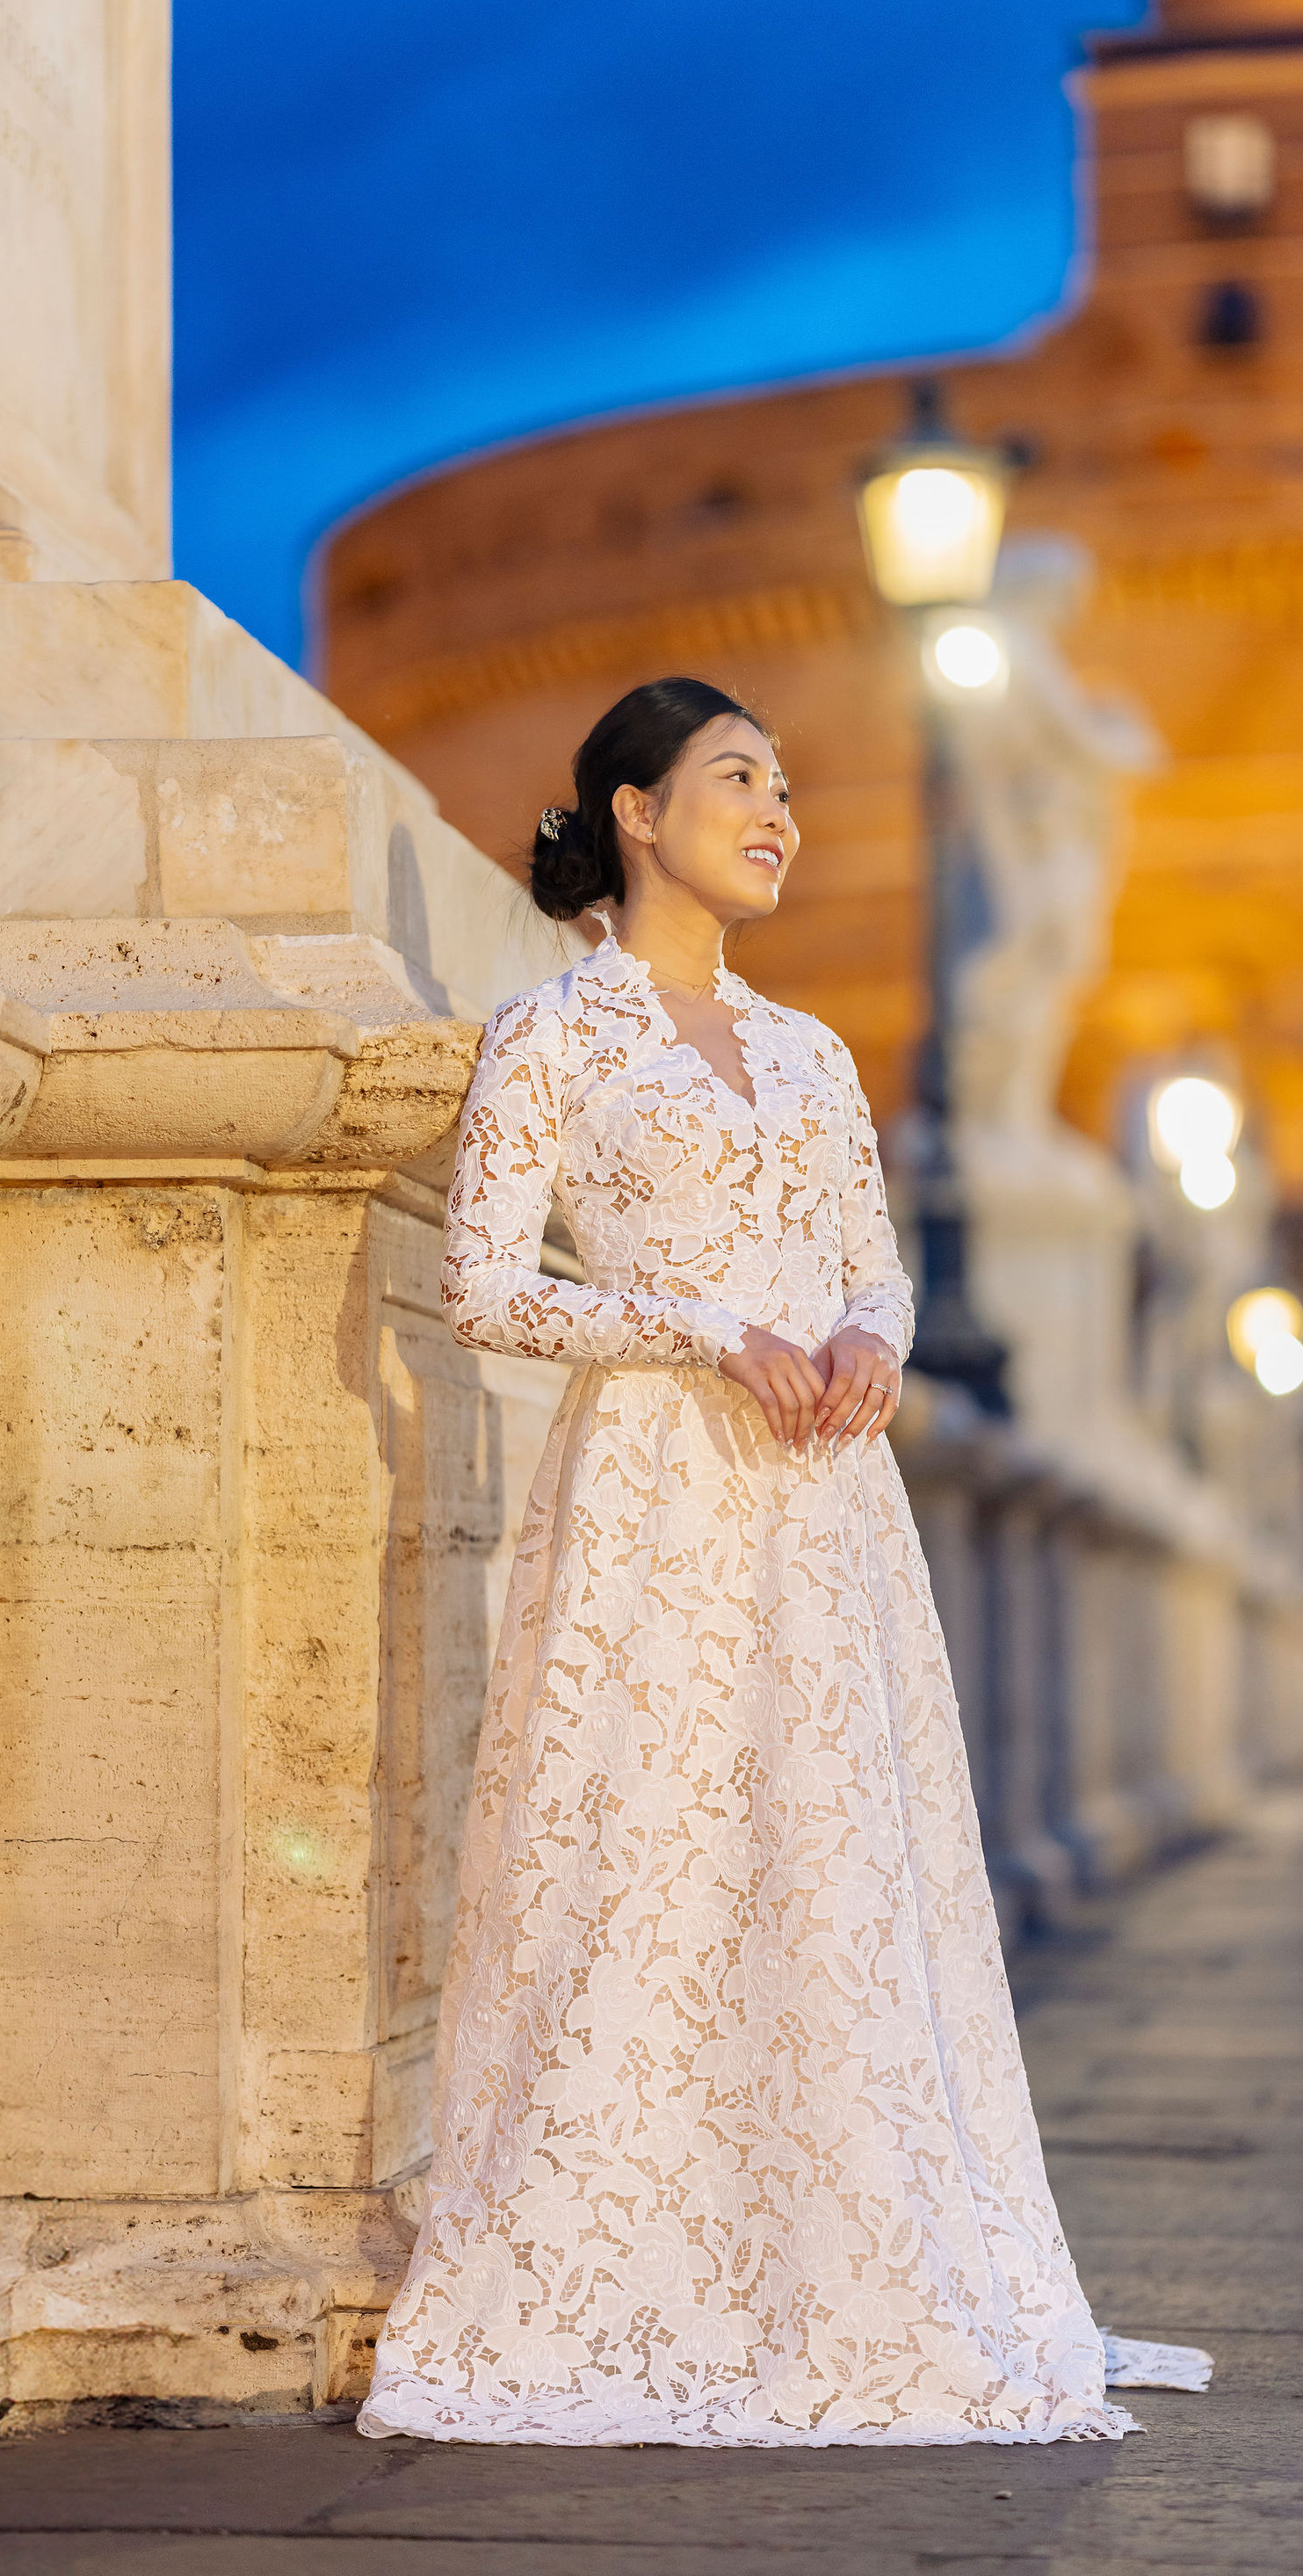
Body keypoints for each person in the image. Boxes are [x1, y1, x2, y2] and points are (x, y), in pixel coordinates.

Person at [358, 678, 1207, 2446]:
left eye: (789, 785)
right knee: (646, 1850)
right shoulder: (553, 1041)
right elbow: (485, 1288)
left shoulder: (813, 1053)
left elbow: (869, 1262)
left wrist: (873, 1346)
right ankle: (613, 2261)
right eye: (738, 779)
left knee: (833, 1855)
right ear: (633, 815)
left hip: (824, 1505)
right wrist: (696, 1326)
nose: (779, 813)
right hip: (655, 1494)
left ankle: (852, 2253)